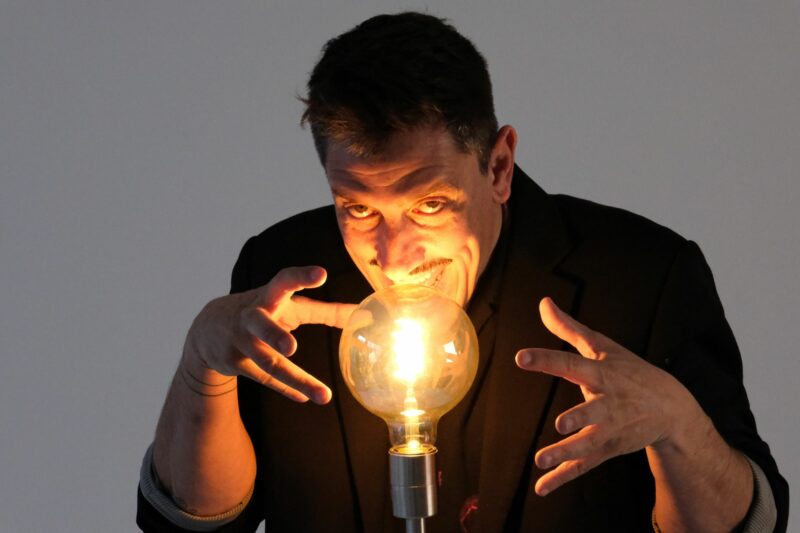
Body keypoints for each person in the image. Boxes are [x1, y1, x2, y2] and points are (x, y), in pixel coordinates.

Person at [137, 12, 788, 532]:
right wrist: (201, 370)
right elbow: (193, 525)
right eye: (359, 209)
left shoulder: (644, 276)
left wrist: (677, 424)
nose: (395, 256)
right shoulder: (281, 281)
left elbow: (750, 524)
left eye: (429, 204)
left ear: (498, 167)